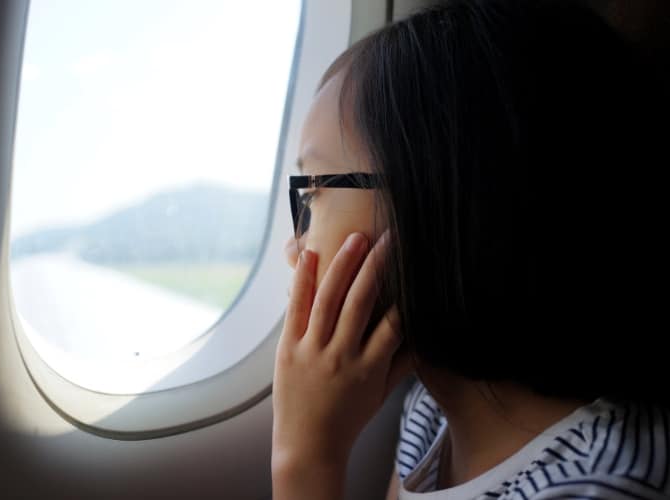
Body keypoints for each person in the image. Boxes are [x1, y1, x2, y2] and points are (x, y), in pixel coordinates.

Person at [271, 0, 669, 499]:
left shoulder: (599, 487)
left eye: (314, 193)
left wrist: (306, 460)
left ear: (446, 209)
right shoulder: (430, 412)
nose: (294, 246)